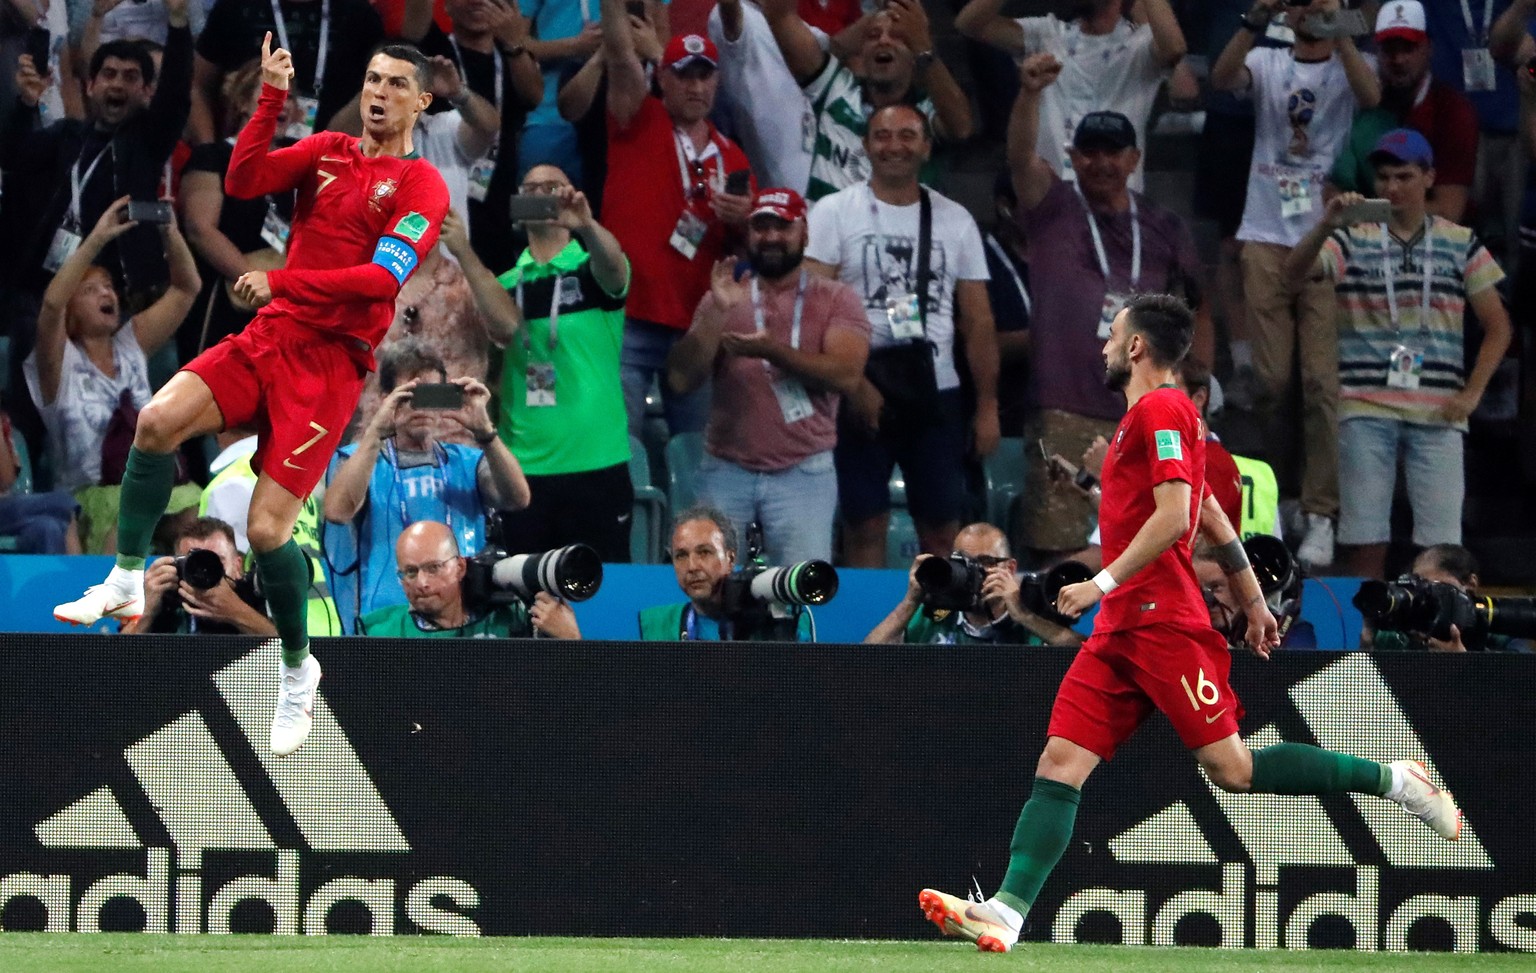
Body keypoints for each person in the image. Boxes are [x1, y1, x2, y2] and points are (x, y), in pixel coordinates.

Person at [918, 293, 1462, 954]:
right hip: (1121, 629)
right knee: (1060, 761)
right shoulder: (1141, 421)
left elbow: (1177, 516)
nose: (1104, 347)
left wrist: (1101, 580)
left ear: (1139, 347)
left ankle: (1398, 781)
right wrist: (1254, 600)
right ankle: (1008, 908)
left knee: (1231, 768)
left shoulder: (1166, 407)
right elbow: (1207, 513)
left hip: (1162, 621)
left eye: (1112, 335)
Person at [52, 38, 451, 759]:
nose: (379, 92)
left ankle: (298, 667)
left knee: (268, 532)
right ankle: (123, 579)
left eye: (396, 83)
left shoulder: (424, 187)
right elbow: (242, 181)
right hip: (270, 336)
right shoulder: (327, 150)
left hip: (329, 365)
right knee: (156, 422)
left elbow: (379, 281)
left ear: (422, 100)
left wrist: (282, 280)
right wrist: (270, 97)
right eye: (370, 78)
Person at [1284, 130, 1511, 580]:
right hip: (1366, 403)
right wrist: (1326, 225)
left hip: (1440, 408)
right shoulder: (1352, 237)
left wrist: (1472, 393)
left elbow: (1499, 327)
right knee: (1365, 534)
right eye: (1384, 176)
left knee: (1443, 544)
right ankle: (1364, 643)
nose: (1391, 187)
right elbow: (1294, 275)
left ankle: (1438, 641)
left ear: (1429, 178)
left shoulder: (1460, 240)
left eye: (1404, 176)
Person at [1006, 53, 1207, 563]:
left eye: (1114, 152)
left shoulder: (1164, 226)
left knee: (1140, 540)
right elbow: (1019, 160)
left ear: (1135, 159)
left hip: (1140, 409)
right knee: (1061, 541)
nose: (1102, 162)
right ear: (1073, 158)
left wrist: (1195, 387)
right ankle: (1056, 642)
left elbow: (1196, 309)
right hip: (1064, 403)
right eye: (1089, 152)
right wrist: (1029, 94)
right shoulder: (1053, 207)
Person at [1211, 0, 1382, 571]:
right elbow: (1220, 77)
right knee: (1271, 381)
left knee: (1320, 383)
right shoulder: (1266, 59)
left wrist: (1342, 29)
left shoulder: (1348, 66)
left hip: (1325, 232)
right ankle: (1285, 495)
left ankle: (1323, 513)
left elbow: (1372, 96)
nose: (1311, 6)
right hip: (1263, 232)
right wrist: (1255, 19)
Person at [806, 104, 999, 568]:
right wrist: (853, 385)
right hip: (860, 382)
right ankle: (869, 634)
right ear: (866, 145)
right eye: (884, 135)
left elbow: (978, 322)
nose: (895, 145)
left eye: (908, 135)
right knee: (864, 523)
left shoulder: (955, 220)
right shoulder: (834, 212)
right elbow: (812, 311)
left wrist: (988, 406)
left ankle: (935, 631)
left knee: (941, 527)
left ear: (927, 146)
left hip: (937, 389)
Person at [667, 187, 869, 565]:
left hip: (804, 471)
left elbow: (846, 375)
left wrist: (772, 351)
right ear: (748, 234)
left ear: (804, 233)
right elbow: (680, 381)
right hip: (727, 468)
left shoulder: (837, 298)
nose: (771, 237)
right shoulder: (724, 295)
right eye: (761, 227)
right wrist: (716, 314)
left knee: (802, 594)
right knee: (712, 588)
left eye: (783, 227)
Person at [447, 165, 634, 564]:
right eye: (530, 188)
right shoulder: (507, 283)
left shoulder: (590, 268)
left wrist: (586, 225)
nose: (540, 193)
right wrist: (462, 250)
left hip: (597, 464)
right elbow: (506, 328)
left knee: (603, 595)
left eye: (551, 187)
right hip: (525, 470)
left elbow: (616, 269)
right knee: (526, 597)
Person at [600, 1, 754, 437]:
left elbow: (747, 250)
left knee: (693, 450)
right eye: (683, 75)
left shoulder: (734, 157)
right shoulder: (638, 116)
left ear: (717, 82)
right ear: (661, 79)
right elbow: (618, 54)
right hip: (629, 313)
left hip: (694, 327)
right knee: (620, 446)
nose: (695, 86)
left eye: (704, 75)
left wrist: (743, 220)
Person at [24, 195, 204, 554]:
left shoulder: (130, 343)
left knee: (197, 520)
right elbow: (51, 304)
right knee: (126, 526)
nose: (107, 293)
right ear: (73, 311)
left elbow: (188, 288)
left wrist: (170, 232)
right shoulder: (57, 363)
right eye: (90, 290)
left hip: (152, 484)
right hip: (91, 497)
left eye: (108, 286)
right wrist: (99, 237)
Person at [323, 339, 530, 630]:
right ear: (385, 397)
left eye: (430, 395)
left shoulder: (468, 463)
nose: (420, 407)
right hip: (389, 622)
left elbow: (518, 498)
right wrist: (375, 434)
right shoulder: (360, 460)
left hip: (467, 621)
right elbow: (337, 511)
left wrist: (485, 431)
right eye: (408, 396)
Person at [953, 0, 1185, 191]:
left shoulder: (1140, 43)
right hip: (1050, 205)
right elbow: (969, 24)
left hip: (1116, 205)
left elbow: (1174, 48)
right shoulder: (1048, 33)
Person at [759, 0, 972, 201]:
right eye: (873, 35)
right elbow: (780, 16)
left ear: (915, 52)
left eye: (897, 36)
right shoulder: (833, 86)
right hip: (827, 234)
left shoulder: (926, 111)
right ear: (861, 52)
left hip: (898, 233)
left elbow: (961, 127)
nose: (883, 40)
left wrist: (924, 48)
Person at [1329, 0, 1480, 224]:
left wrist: (1368, 214)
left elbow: (1449, 213)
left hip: (1434, 243)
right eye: (1389, 50)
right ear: (1376, 52)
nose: (1398, 59)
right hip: (1365, 242)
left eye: (1408, 48)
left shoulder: (1453, 111)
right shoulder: (1365, 102)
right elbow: (1333, 196)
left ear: (1429, 48)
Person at [190, 0, 384, 145]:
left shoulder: (358, 14)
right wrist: (209, 153)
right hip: (247, 157)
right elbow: (198, 85)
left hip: (332, 161)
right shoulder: (236, 7)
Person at [864, 522, 1081, 647]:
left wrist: (1024, 616)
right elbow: (864, 658)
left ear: (1010, 569)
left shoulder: (1030, 617)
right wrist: (910, 601)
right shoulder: (935, 615)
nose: (973, 572)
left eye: (985, 562)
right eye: (963, 561)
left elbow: (1086, 655)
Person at [360, 519, 581, 638]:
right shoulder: (377, 631)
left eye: (433, 568)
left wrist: (571, 640)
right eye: (410, 572)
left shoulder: (515, 617)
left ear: (460, 567)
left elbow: (572, 699)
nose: (422, 583)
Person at [639, 505, 812, 641]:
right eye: (681, 555)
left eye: (704, 552)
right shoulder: (658, 625)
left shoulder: (784, 620)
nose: (691, 566)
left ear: (730, 559)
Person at [1363, 543, 1534, 652]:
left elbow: (1517, 698)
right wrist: (1367, 645)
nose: (1430, 597)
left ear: (1470, 583)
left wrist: (1461, 664)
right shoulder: (1395, 637)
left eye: (1440, 587)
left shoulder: (1502, 636)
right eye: (1422, 589)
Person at [129, 516, 277, 636]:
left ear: (237, 566)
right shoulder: (165, 605)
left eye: (216, 562)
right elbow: (116, 662)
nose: (204, 571)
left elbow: (291, 658)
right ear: (177, 566)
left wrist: (235, 611)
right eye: (194, 563)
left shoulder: (255, 598)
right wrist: (146, 610)